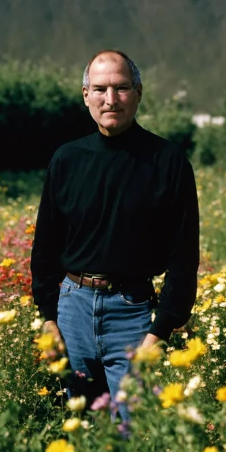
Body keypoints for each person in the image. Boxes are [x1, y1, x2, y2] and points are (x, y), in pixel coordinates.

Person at [31, 49, 200, 421]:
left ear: (138, 92)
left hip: (132, 312)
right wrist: (48, 318)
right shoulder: (66, 160)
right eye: (100, 89)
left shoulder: (168, 162)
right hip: (71, 311)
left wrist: (159, 333)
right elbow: (44, 248)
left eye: (121, 88)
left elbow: (184, 259)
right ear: (85, 95)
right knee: (81, 426)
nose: (111, 99)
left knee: (132, 430)